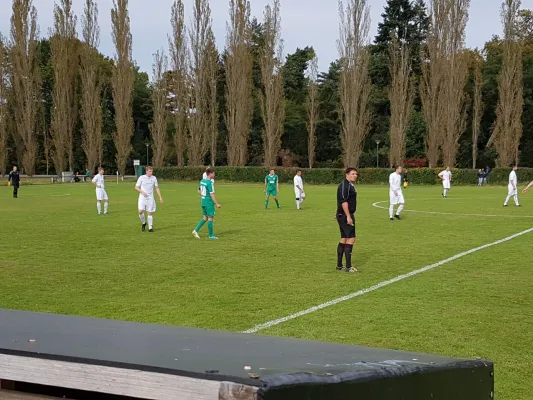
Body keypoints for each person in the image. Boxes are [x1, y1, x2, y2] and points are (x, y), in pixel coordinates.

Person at [335, 167, 359, 273]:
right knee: (351, 238)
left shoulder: (348, 185)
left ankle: (339, 265)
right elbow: (344, 201)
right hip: (346, 215)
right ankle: (348, 267)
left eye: (356, 174)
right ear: (347, 175)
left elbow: (341, 200)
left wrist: (338, 212)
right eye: (352, 174)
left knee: (344, 238)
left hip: (342, 214)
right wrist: (348, 216)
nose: (355, 175)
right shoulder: (345, 185)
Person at [192, 168, 222, 240]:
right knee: (210, 217)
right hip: (208, 202)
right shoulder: (209, 183)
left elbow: (198, 191)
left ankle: (195, 230)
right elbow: (212, 194)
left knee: (205, 217)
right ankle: (211, 235)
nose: (214, 175)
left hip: (203, 202)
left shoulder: (202, 181)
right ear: (210, 174)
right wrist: (216, 203)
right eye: (213, 173)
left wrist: (204, 196)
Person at [135, 166, 163, 232]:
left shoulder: (154, 178)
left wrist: (160, 197)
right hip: (142, 197)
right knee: (140, 211)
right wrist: (142, 192)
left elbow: (156, 188)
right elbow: (136, 187)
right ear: (146, 171)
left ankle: (150, 228)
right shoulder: (141, 178)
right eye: (150, 171)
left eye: (152, 171)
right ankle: (144, 223)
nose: (151, 173)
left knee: (149, 213)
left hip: (150, 198)